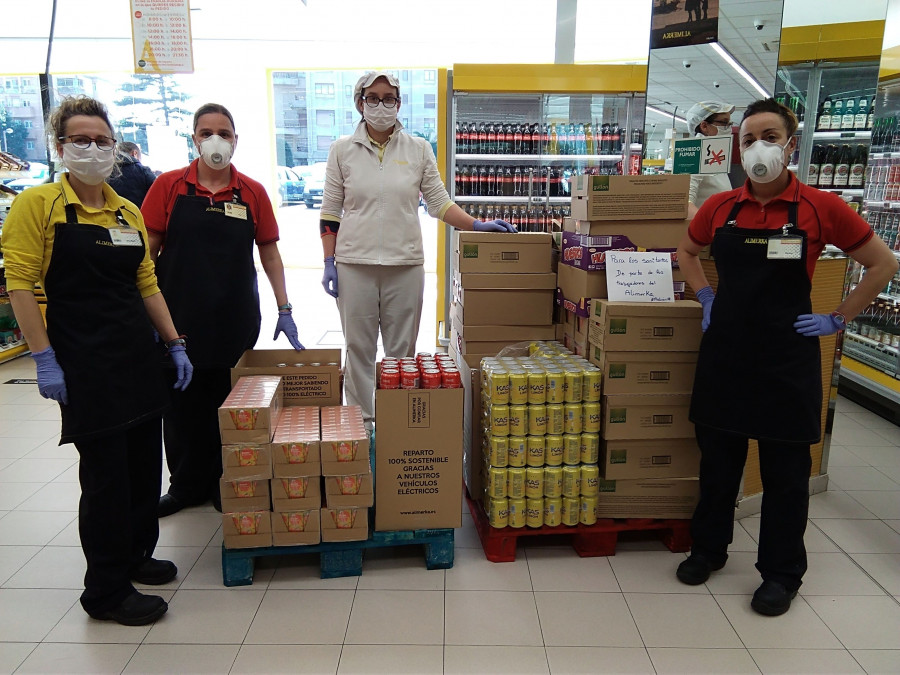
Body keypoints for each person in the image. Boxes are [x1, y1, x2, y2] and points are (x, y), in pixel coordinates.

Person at [675, 98, 898, 616]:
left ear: (790, 144)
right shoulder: (721, 208)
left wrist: (837, 318)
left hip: (786, 361)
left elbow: (882, 264)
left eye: (769, 137)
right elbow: (687, 251)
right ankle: (708, 549)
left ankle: (780, 574)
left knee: (785, 475)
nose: (758, 147)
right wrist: (705, 296)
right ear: (738, 147)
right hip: (727, 355)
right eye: (749, 138)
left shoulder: (822, 207)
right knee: (718, 465)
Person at [0, 96, 194, 626]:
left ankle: (136, 555)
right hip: (85, 363)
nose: (92, 149)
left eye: (101, 140)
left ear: (115, 147)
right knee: (106, 478)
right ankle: (105, 590)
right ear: (60, 146)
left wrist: (174, 343)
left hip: (136, 356)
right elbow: (20, 283)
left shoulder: (125, 210)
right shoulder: (37, 206)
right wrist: (43, 358)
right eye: (80, 140)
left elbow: (146, 283)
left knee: (141, 468)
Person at [320, 71, 515, 429]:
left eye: (389, 98)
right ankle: (363, 427)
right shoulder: (342, 150)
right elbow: (331, 210)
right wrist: (329, 260)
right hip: (354, 265)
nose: (381, 105)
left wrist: (475, 224)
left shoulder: (418, 149)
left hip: (405, 265)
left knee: (401, 356)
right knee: (359, 351)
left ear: (399, 103)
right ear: (359, 102)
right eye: (373, 97)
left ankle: (395, 426)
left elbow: (437, 202)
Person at [142, 103, 303, 518]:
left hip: (234, 316)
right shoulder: (169, 186)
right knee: (181, 406)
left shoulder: (251, 192)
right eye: (206, 132)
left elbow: (269, 253)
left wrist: (284, 307)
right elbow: (147, 253)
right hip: (179, 318)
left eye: (224, 133)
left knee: (229, 405)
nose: (216, 139)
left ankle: (225, 479)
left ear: (235, 139)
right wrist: (141, 311)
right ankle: (184, 486)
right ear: (194, 138)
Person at [685, 101, 736, 219]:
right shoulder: (695, 153)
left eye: (729, 123)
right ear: (704, 126)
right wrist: (707, 226)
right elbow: (685, 203)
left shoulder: (713, 151)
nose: (729, 128)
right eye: (724, 123)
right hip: (706, 231)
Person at [107, 141, 157, 207]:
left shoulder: (107, 171)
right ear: (134, 153)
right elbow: (158, 194)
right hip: (139, 214)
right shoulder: (143, 171)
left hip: (115, 214)